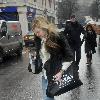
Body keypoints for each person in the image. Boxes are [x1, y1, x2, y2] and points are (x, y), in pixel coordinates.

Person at [32, 16, 74, 99]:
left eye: (38, 32)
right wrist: (36, 57)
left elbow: (69, 56)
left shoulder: (57, 37)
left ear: (44, 27)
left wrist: (61, 71)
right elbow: (43, 56)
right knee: (47, 98)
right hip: (44, 75)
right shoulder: (39, 40)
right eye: (35, 33)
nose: (37, 34)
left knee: (47, 98)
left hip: (54, 74)